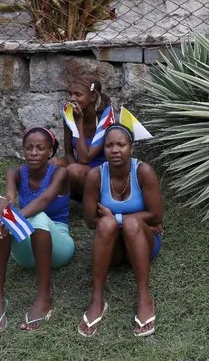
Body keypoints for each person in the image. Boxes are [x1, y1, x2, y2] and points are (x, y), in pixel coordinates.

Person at [0, 127, 75, 332]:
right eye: (29, 148)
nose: (33, 152)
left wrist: (12, 218)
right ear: (22, 150)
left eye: (40, 148)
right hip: (26, 254)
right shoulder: (15, 172)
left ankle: (44, 297)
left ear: (50, 152)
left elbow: (44, 200)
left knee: (36, 217)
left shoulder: (60, 172)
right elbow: (9, 198)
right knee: (4, 221)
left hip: (59, 246)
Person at [77, 123, 163, 337]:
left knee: (130, 223)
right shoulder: (96, 176)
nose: (115, 150)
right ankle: (96, 299)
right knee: (105, 224)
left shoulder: (143, 171)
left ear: (131, 148)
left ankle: (144, 298)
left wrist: (115, 217)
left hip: (143, 241)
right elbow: (89, 220)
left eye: (121, 145)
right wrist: (112, 222)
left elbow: (156, 216)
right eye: (109, 145)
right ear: (104, 149)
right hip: (112, 248)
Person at [52, 76, 112, 199]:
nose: (72, 98)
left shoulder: (105, 120)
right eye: (71, 94)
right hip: (80, 169)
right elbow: (68, 152)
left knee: (74, 170)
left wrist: (79, 121)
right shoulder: (69, 117)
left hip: (102, 174)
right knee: (52, 163)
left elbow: (85, 158)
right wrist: (72, 169)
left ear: (93, 97)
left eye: (78, 94)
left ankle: (95, 200)